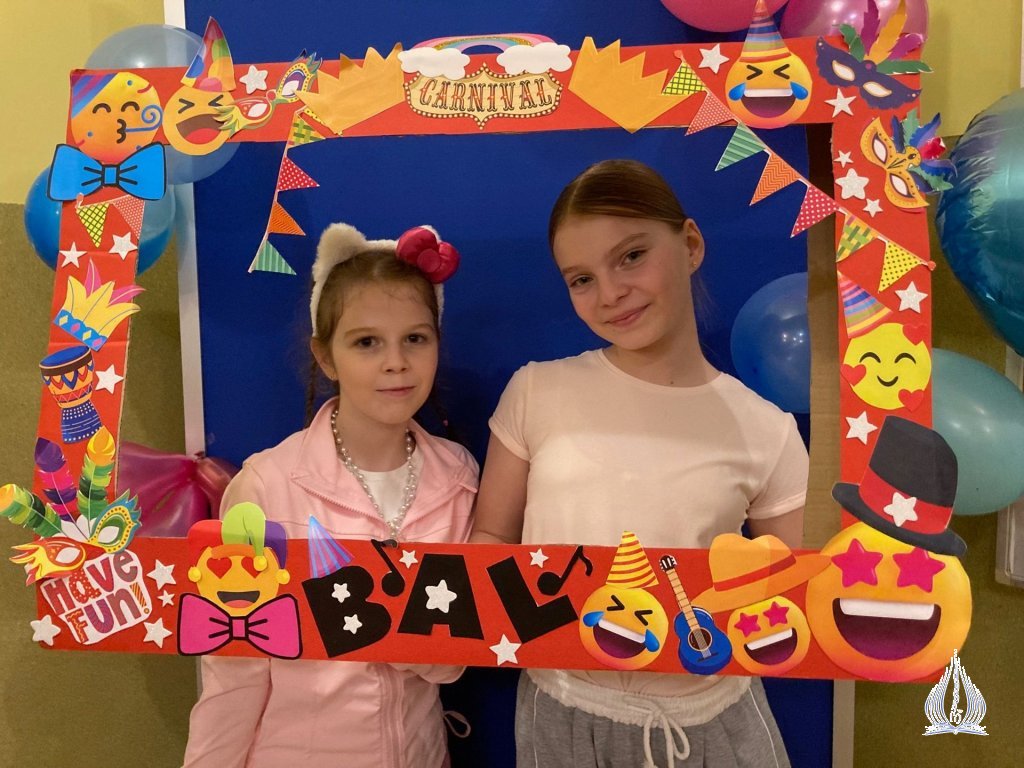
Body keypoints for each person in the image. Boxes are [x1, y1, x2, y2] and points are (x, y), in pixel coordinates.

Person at [471, 159, 807, 768]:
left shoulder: (767, 429)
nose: (610, 294)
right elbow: (492, 537)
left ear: (690, 244)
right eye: (581, 278)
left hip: (710, 715)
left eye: (630, 256)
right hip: (561, 706)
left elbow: (789, 596)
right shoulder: (536, 392)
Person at [183, 222, 478, 768]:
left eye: (415, 338)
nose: (396, 362)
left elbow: (454, 659)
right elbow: (233, 673)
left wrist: (398, 627)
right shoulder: (268, 485)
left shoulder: (458, 476)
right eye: (367, 342)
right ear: (325, 357)